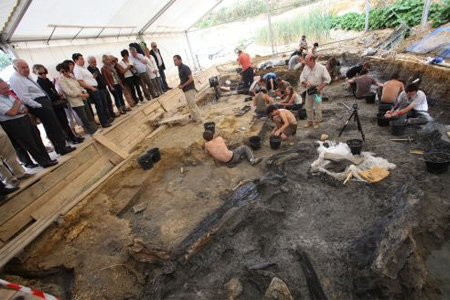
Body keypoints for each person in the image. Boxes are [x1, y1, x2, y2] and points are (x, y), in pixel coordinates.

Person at [9, 59, 76, 155]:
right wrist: (38, 105)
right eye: (23, 68)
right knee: (53, 126)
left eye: (27, 67)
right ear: (15, 68)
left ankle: (61, 146)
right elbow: (23, 97)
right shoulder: (16, 79)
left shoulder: (25, 77)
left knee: (53, 125)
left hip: (43, 101)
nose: (26, 69)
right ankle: (61, 148)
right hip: (38, 103)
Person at [0, 78, 58, 168]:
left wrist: (23, 108)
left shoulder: (10, 95)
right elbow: (11, 112)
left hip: (24, 118)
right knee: (29, 143)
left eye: (7, 87)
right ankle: (43, 162)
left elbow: (21, 106)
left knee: (37, 138)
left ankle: (47, 159)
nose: (7, 90)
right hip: (14, 123)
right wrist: (17, 104)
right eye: (4, 89)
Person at [33, 64, 83, 145]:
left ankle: (72, 137)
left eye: (44, 72)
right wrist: (57, 95)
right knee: (62, 123)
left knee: (64, 121)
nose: (43, 74)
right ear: (36, 73)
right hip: (53, 104)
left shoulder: (47, 80)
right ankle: (70, 138)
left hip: (58, 103)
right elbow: (48, 94)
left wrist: (57, 95)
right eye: (40, 73)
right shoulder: (40, 82)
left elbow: (53, 90)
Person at [72, 53, 111, 128]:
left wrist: (93, 77)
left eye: (82, 58)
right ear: (76, 60)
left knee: (101, 105)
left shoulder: (83, 68)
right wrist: (91, 88)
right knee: (99, 106)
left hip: (94, 87)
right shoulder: (77, 69)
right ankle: (104, 122)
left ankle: (105, 120)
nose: (83, 60)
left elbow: (86, 78)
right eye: (81, 59)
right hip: (91, 89)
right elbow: (80, 81)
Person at [58, 63, 98, 135]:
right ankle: (91, 131)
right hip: (75, 100)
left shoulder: (72, 76)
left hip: (82, 97)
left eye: (66, 71)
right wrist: (80, 95)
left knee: (88, 113)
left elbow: (79, 86)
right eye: (62, 72)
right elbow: (68, 92)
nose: (65, 73)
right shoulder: (61, 80)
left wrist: (84, 92)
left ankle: (94, 128)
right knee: (83, 117)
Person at [299, 54, 331, 129]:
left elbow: (328, 80)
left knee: (318, 106)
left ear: (312, 60)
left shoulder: (321, 68)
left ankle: (318, 122)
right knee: (308, 106)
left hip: (317, 91)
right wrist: (306, 83)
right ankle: (309, 121)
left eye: (306, 61)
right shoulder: (305, 68)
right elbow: (302, 78)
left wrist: (320, 88)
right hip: (309, 90)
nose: (305, 62)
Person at [173, 54, 202, 123]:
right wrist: (180, 84)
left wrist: (183, 85)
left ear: (180, 60)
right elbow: (184, 79)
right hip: (186, 89)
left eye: (175, 60)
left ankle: (199, 119)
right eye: (174, 61)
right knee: (190, 105)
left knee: (192, 105)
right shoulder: (179, 68)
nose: (174, 62)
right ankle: (195, 118)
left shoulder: (185, 68)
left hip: (189, 89)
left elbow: (191, 79)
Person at [87, 56, 116, 121]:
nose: (94, 63)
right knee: (103, 105)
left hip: (104, 87)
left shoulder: (96, 68)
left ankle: (112, 114)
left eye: (95, 61)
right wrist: (93, 77)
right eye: (93, 62)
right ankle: (108, 117)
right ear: (89, 62)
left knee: (109, 101)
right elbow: (90, 80)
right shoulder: (88, 70)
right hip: (99, 89)